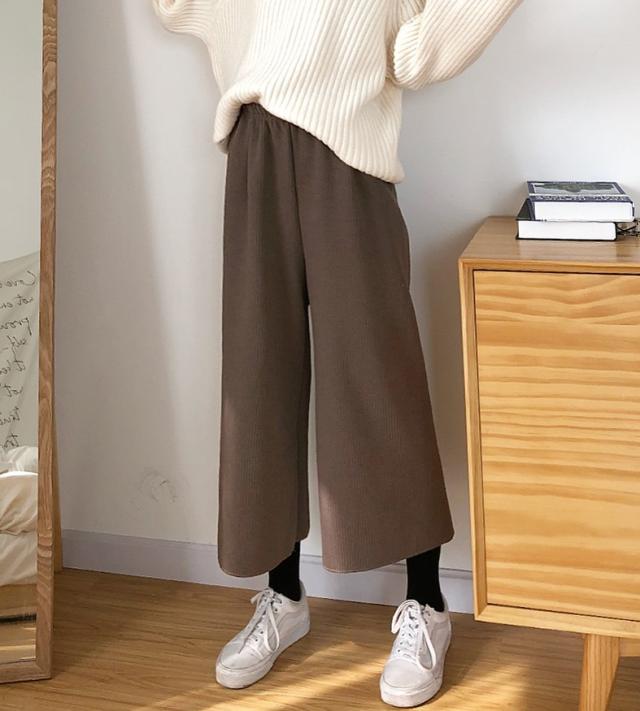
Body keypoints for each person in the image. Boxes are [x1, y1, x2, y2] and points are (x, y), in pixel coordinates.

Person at [151, 0, 523, 706]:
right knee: (258, 378)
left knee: (378, 379)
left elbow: (414, 55)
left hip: (349, 159)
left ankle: (427, 603)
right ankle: (284, 595)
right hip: (255, 143)